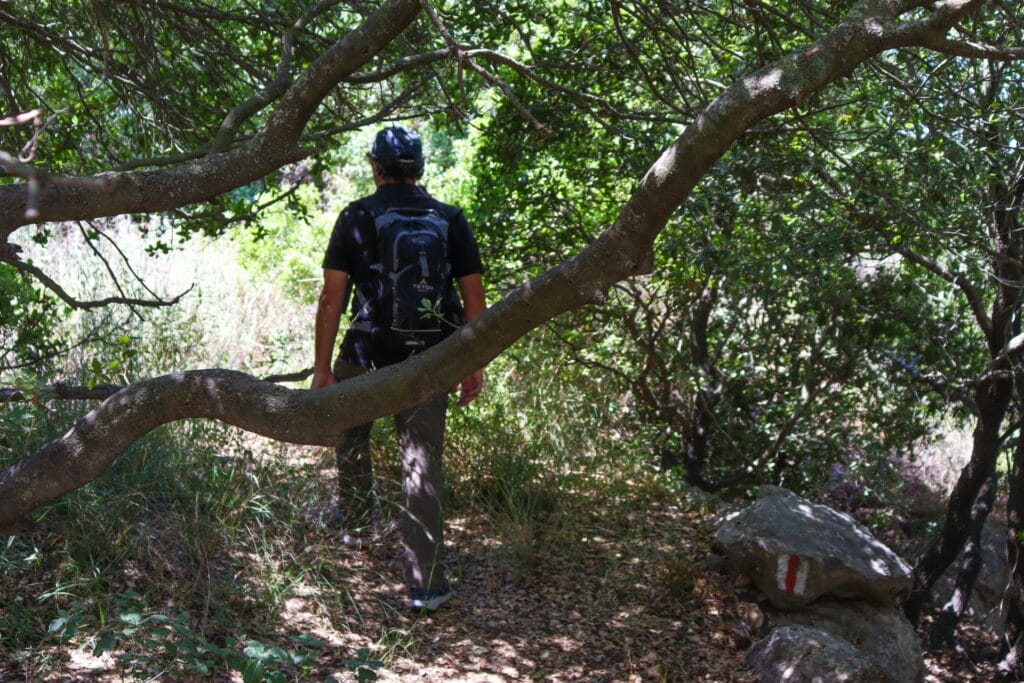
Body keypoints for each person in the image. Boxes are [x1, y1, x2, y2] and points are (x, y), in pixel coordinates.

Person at [311, 125, 486, 612]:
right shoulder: (450, 219)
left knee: (350, 431)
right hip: (430, 361)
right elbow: (474, 300)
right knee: (420, 466)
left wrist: (323, 367)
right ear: (420, 168)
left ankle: (357, 524)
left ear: (375, 167)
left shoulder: (356, 217)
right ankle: (425, 585)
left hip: (366, 355)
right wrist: (472, 363)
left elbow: (333, 297)